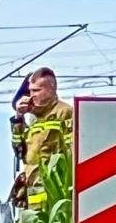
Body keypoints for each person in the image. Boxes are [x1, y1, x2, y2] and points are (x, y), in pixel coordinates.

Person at [9, 66, 73, 211]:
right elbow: (19, 151)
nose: (31, 96)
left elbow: (72, 154)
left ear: (51, 89)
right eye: (30, 91)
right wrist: (19, 117)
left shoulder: (65, 113)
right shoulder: (32, 118)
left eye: (37, 91)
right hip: (31, 193)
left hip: (54, 194)